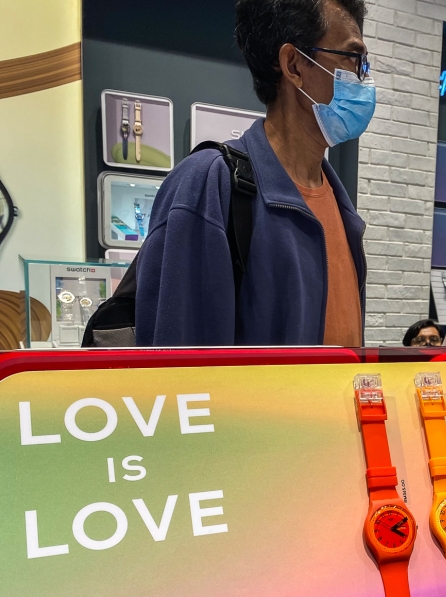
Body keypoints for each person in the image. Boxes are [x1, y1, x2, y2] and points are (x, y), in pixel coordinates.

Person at [134, 0, 372, 346]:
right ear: (294, 65)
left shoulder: (338, 203)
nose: (362, 78)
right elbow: (177, 382)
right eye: (352, 59)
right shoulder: (207, 188)